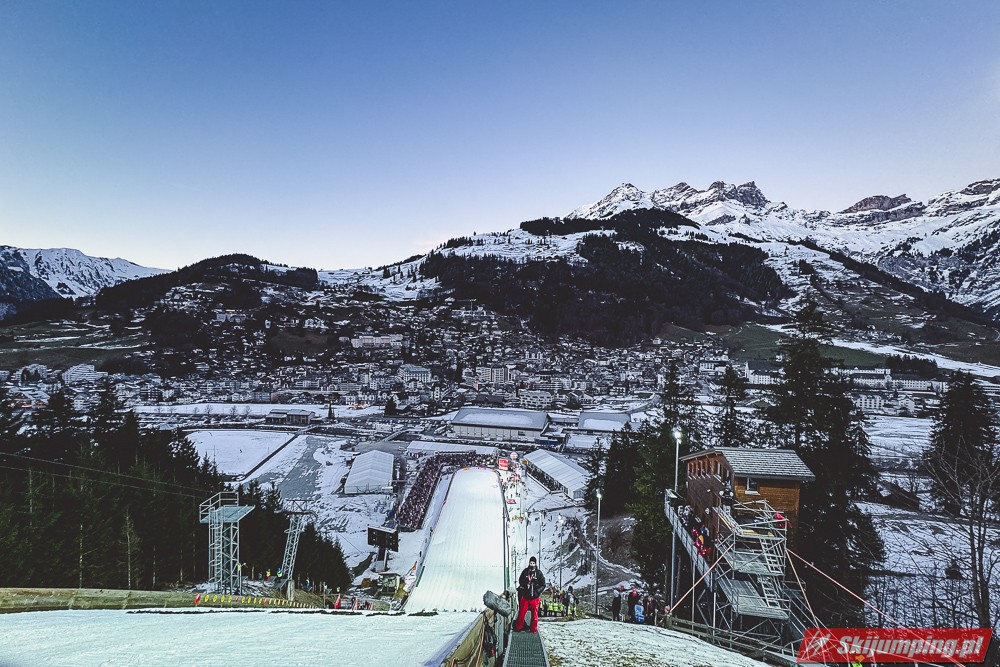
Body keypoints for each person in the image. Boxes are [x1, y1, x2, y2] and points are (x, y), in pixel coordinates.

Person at [514, 556, 546, 633]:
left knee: (534, 615)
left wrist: (537, 591)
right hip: (525, 596)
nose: (532, 564)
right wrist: (525, 585)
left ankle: (533, 630)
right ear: (529, 563)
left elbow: (543, 585)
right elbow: (520, 580)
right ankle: (518, 628)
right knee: (521, 613)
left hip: (535, 597)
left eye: (533, 563)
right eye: (531, 563)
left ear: (535, 564)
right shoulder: (525, 571)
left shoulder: (539, 573)